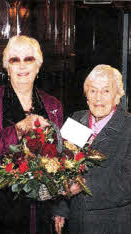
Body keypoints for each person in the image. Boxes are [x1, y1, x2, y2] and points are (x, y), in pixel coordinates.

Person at [0, 35, 63, 234]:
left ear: (38, 66)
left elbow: (58, 158)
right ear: (7, 67)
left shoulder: (53, 105)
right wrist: (20, 128)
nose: (22, 66)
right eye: (15, 60)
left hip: (39, 202)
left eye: (28, 59)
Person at [53, 64, 131, 234]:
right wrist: (62, 209)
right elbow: (63, 169)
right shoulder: (76, 119)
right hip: (77, 222)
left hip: (113, 224)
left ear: (118, 96)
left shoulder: (128, 127)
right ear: (86, 95)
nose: (98, 98)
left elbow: (127, 184)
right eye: (93, 91)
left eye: (106, 91)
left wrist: (84, 186)